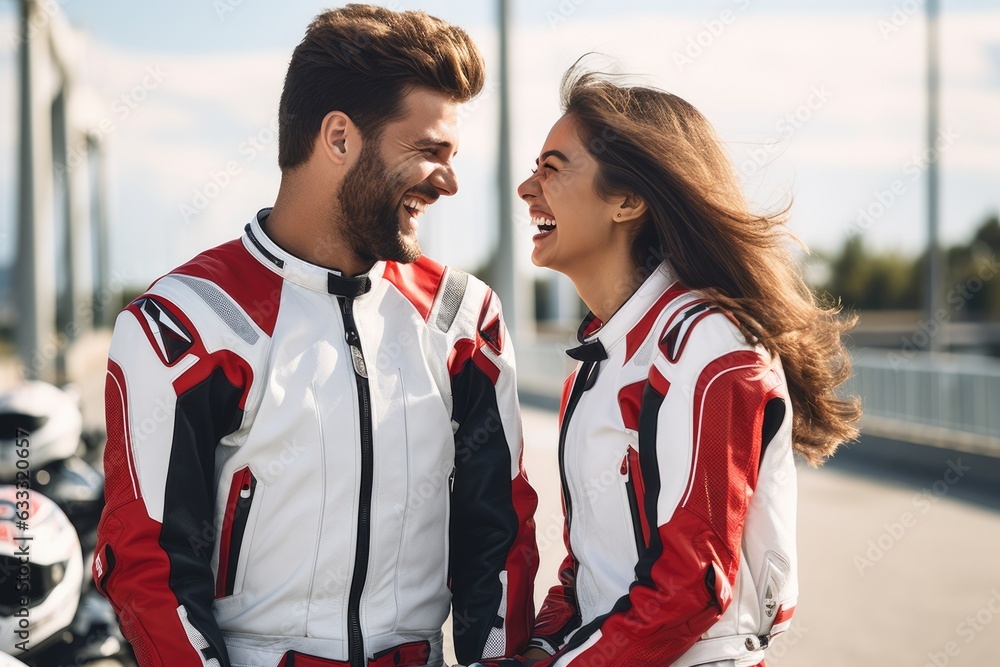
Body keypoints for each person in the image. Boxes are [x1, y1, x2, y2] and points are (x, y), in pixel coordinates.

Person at [92, 6, 538, 667]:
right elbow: (150, 566)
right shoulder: (185, 322)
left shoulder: (462, 316)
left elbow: (497, 541)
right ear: (338, 138)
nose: (449, 182)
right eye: (429, 152)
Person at [505, 65, 861, 667]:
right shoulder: (595, 363)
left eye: (552, 168)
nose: (526, 188)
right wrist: (539, 648)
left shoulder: (712, 346)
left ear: (628, 200)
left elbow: (691, 586)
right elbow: (587, 567)